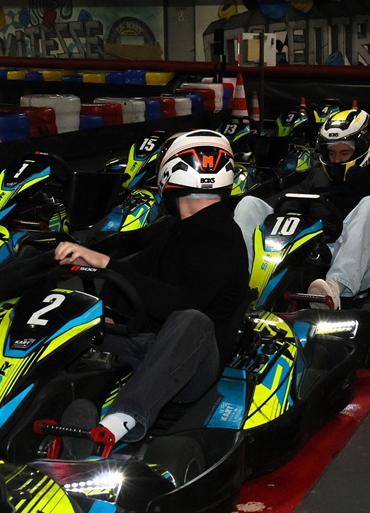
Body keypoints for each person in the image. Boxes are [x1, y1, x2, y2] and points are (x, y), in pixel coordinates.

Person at [48, 128, 249, 454]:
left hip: (195, 362)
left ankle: (120, 422)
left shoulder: (222, 236)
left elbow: (179, 303)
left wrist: (106, 263)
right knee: (67, 319)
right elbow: (130, 260)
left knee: (191, 320)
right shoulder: (178, 226)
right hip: (149, 344)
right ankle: (16, 412)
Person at [234, 106, 370, 310]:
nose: (337, 160)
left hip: (351, 262)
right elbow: (289, 201)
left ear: (363, 149)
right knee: (249, 203)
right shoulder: (317, 177)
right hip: (310, 248)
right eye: (331, 153)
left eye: (344, 153)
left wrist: (369, 190)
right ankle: (240, 279)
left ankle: (333, 288)